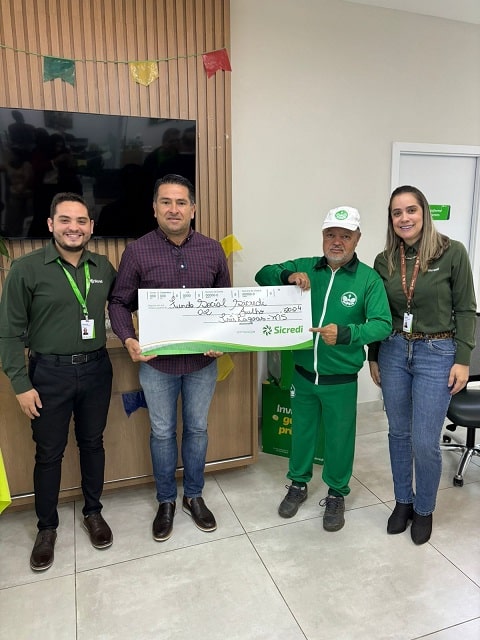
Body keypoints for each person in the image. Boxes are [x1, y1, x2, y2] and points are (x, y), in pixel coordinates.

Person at [108, 173, 231, 541]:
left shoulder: (212, 250)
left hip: (202, 363)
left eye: (181, 202)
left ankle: (193, 495)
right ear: (154, 208)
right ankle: (166, 501)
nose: (173, 209)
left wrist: (222, 338)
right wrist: (128, 338)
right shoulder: (137, 251)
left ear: (193, 209)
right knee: (161, 433)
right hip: (157, 365)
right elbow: (119, 301)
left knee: (197, 429)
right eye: (166, 202)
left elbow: (225, 303)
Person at [255, 207, 392, 531]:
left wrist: (345, 334)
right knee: (301, 433)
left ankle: (336, 493)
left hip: (340, 379)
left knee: (339, 439)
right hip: (302, 374)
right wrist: (287, 277)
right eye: (331, 234)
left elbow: (382, 324)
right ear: (323, 237)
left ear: (357, 239)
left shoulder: (368, 279)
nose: (337, 241)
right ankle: (298, 484)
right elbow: (263, 274)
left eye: (345, 236)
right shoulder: (305, 267)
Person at [0, 192, 117, 571]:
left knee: (93, 443)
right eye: (65, 220)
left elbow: (126, 303)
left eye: (81, 221)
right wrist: (20, 384)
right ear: (51, 224)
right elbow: (8, 332)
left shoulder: (103, 266)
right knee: (48, 454)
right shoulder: (26, 269)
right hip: (48, 375)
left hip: (97, 370)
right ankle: (46, 528)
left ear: (91, 227)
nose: (74, 228)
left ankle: (93, 512)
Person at [368, 185, 476, 545]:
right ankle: (403, 501)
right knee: (398, 433)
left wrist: (463, 359)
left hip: (437, 352)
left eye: (411, 210)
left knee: (425, 440)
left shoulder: (452, 252)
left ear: (424, 212)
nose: (404, 218)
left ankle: (424, 508)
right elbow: (378, 314)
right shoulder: (384, 260)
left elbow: (466, 309)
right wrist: (373, 355)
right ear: (391, 219)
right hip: (393, 350)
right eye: (397, 213)